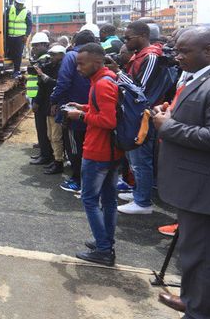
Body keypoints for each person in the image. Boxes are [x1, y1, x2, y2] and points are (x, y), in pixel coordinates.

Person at [152, 27, 210, 317]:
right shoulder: (204, 77)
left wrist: (168, 127)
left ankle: (202, 312)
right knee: (194, 253)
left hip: (209, 189)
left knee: (205, 258)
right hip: (197, 186)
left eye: (184, 51)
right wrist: (172, 113)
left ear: (209, 51)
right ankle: (193, 299)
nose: (177, 56)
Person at [63, 43, 122, 266]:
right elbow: (103, 110)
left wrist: (81, 116)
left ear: (97, 62)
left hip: (99, 152)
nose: (78, 67)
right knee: (108, 199)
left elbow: (108, 121)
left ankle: (104, 249)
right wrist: (84, 107)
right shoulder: (105, 80)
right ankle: (104, 242)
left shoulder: (102, 85)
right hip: (110, 152)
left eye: (81, 63)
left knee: (90, 199)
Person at [118, 21, 172, 215]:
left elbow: (140, 90)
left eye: (128, 38)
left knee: (141, 160)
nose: (125, 41)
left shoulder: (150, 57)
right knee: (135, 159)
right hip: (135, 114)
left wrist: (118, 74)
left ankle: (143, 202)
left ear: (142, 36)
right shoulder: (140, 56)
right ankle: (138, 192)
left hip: (143, 115)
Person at [49, 30, 95, 192]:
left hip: (74, 110)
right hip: (92, 111)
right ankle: (89, 179)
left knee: (74, 147)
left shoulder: (71, 57)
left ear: (75, 42)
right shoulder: (97, 58)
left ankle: (78, 180)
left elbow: (63, 83)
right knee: (89, 146)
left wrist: (54, 100)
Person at [33, 44, 66, 174]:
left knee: (56, 136)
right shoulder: (51, 66)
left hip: (55, 105)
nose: (51, 57)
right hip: (48, 104)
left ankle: (58, 162)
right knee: (50, 135)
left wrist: (42, 75)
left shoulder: (62, 68)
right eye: (50, 54)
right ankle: (54, 159)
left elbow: (57, 85)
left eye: (54, 55)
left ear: (61, 55)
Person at [28, 32, 53, 165]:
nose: (34, 48)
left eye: (37, 46)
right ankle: (44, 153)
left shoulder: (45, 60)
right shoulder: (42, 58)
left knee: (43, 128)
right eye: (33, 46)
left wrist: (37, 101)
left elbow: (42, 85)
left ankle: (45, 156)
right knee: (41, 128)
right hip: (39, 98)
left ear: (45, 45)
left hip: (41, 100)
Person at [5, 0, 32, 72]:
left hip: (20, 37)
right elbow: (4, 20)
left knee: (18, 54)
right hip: (9, 36)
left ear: (22, 4)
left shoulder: (27, 12)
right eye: (17, 3)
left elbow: (29, 25)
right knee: (9, 52)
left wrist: (26, 35)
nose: (18, 5)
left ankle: (16, 70)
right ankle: (9, 68)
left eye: (20, 4)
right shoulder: (10, 8)